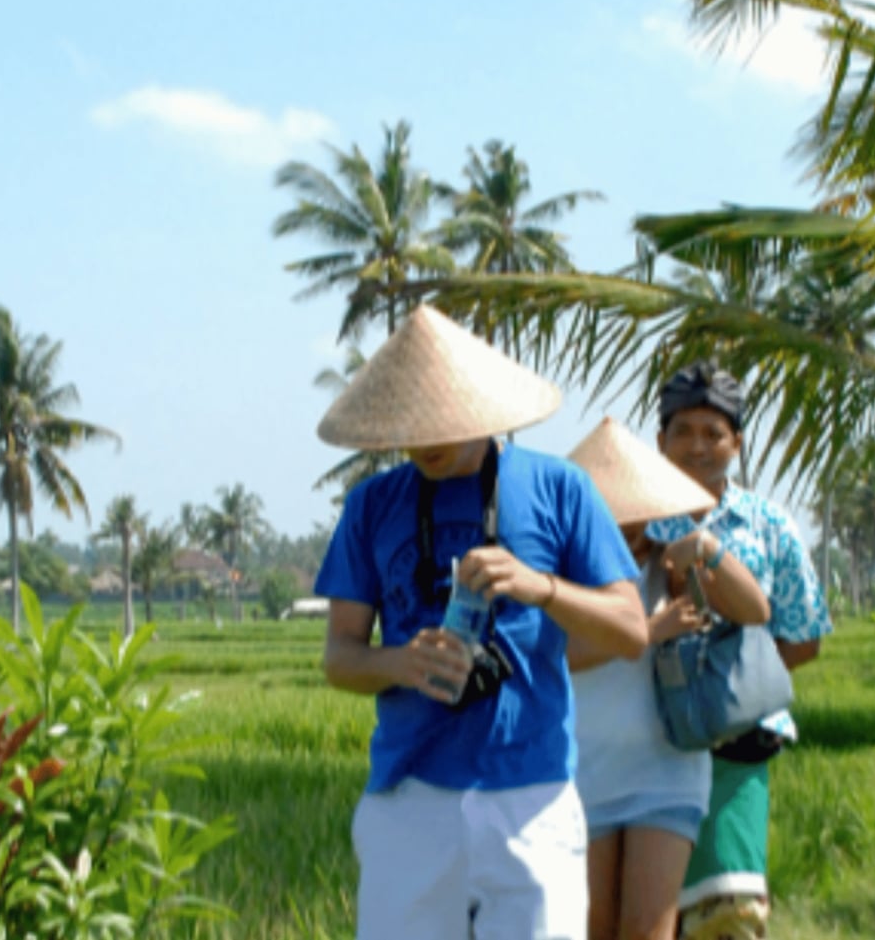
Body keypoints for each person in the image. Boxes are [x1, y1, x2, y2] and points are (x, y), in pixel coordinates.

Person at [314, 305, 648, 940]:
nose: (424, 440)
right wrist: (400, 662)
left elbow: (630, 628)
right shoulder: (371, 506)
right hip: (407, 797)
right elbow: (340, 658)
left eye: (440, 420)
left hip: (533, 797)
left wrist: (540, 587)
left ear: (480, 409)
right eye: (409, 424)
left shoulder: (560, 488)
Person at [647, 361, 832, 940]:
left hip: (738, 746)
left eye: (714, 433)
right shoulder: (633, 521)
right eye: (684, 431)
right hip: (646, 743)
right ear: (660, 440)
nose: (698, 445)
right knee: (646, 920)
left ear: (738, 443)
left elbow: (804, 634)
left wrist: (731, 681)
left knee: (729, 916)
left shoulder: (769, 525)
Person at [567, 417, 771, 940]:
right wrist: (648, 630)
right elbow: (557, 656)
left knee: (647, 929)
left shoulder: (672, 568)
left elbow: (755, 610)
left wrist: (708, 549)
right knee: (597, 928)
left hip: (666, 771)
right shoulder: (565, 580)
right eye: (610, 511)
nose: (626, 523)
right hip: (582, 773)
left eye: (634, 508)